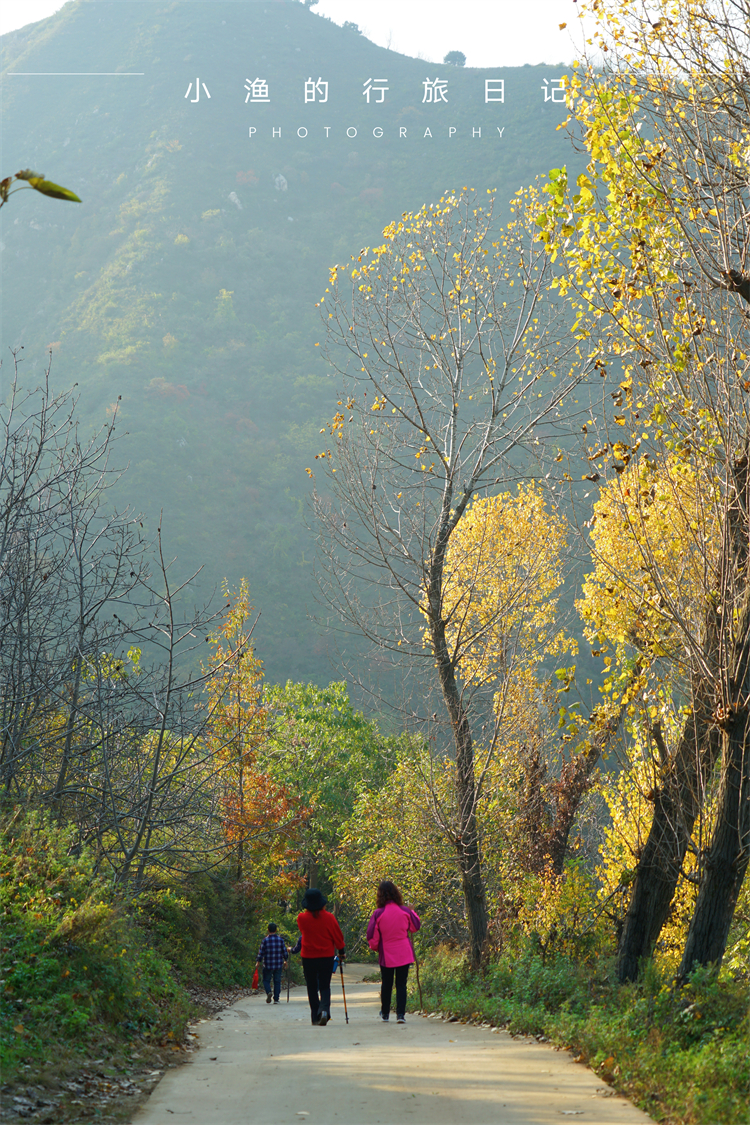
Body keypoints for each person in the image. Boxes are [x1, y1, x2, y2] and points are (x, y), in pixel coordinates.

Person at [367, 880, 420, 1025]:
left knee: (387, 983)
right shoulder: (405, 911)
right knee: (401, 984)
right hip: (404, 952)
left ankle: (385, 1013)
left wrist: (375, 947)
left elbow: (372, 935)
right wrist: (412, 911)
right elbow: (415, 926)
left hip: (387, 953)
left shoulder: (378, 914)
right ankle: (401, 1015)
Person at [291, 888, 345, 1026]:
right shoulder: (329, 918)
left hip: (308, 957)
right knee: (325, 986)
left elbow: (304, 930)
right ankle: (324, 1010)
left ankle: (315, 1017)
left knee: (311, 986)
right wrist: (341, 951)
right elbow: (337, 936)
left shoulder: (301, 918)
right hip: (326, 956)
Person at [256, 922, 288, 1005]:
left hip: (267, 964)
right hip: (278, 964)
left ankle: (269, 992)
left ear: (268, 930)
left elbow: (261, 952)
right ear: (276, 930)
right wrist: (285, 960)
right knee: (277, 981)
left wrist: (258, 961)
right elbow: (284, 952)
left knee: (266, 980)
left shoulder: (265, 940)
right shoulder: (280, 940)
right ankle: (276, 999)